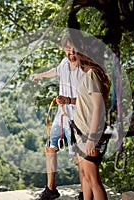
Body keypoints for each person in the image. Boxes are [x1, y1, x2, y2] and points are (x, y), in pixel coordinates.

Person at [56, 35, 110, 200]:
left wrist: (92, 138)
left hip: (88, 134)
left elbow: (99, 106)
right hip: (80, 133)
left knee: (94, 180)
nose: (71, 54)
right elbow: (86, 100)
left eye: (74, 50)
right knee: (85, 177)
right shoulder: (87, 75)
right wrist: (68, 101)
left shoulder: (92, 74)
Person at [32, 32, 84, 200]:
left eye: (74, 48)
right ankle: (51, 189)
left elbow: (89, 100)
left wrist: (69, 100)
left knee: (79, 156)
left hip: (79, 117)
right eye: (67, 48)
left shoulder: (84, 69)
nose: (71, 52)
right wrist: (40, 75)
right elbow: (54, 71)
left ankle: (85, 192)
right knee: (50, 147)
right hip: (62, 116)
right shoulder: (63, 63)